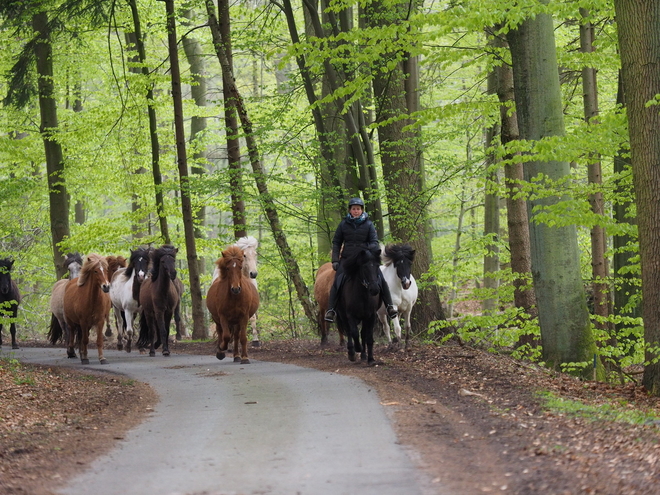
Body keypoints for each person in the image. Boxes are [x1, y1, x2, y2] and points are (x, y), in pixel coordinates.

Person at [324, 197, 398, 322]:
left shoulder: (369, 224)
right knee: (337, 281)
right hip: (347, 259)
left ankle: (390, 306)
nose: (356, 211)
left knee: (380, 279)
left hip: (365, 259)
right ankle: (331, 310)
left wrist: (362, 249)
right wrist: (335, 260)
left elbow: (374, 243)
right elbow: (337, 242)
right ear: (350, 210)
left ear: (362, 210)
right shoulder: (343, 225)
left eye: (358, 209)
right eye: (354, 209)